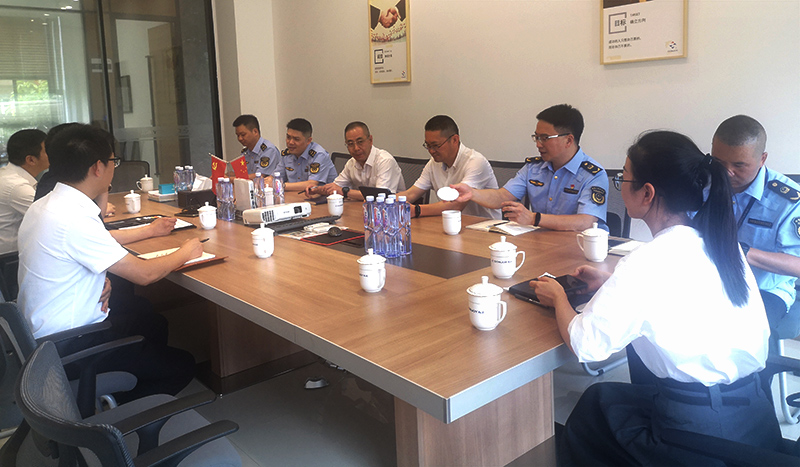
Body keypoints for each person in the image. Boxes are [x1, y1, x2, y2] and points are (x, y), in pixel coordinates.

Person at [530, 131, 780, 464]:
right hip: (756, 419)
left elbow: (586, 344)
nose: (620, 185)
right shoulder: (722, 245)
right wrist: (612, 283)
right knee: (602, 399)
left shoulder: (647, 260)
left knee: (593, 415)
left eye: (623, 178)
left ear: (647, 193)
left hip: (701, 432)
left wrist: (559, 295)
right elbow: (687, 295)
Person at [18, 124, 199, 402]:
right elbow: (144, 275)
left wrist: (97, 280)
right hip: (70, 343)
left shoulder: (47, 205)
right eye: (114, 160)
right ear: (98, 167)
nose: (115, 166)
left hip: (44, 335)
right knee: (183, 366)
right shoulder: (73, 218)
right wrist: (187, 251)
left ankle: (119, 382)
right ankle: (109, 413)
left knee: (152, 322)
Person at [711, 115, 800, 343]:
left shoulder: (789, 202)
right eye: (719, 162)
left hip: (764, 290)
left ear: (762, 159)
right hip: (710, 280)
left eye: (739, 165)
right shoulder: (705, 184)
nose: (727, 172)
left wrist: (743, 252)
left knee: (736, 339)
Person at [452, 104, 608, 231]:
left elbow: (586, 221)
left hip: (581, 247)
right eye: (537, 137)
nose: (538, 144)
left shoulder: (593, 175)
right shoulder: (533, 168)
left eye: (545, 138)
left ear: (568, 140)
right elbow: (502, 196)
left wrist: (534, 218)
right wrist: (472, 193)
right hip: (541, 242)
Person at [397, 115, 499, 219]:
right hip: (451, 223)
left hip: (484, 226)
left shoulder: (476, 162)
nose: (431, 151)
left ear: (455, 140)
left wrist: (416, 210)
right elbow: (411, 194)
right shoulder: (433, 163)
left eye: (436, 145)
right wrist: (389, 203)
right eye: (428, 145)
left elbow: (456, 205)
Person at [306, 121, 405, 200]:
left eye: (360, 142)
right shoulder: (351, 163)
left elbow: (380, 197)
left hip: (394, 212)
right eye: (350, 144)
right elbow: (336, 187)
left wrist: (345, 192)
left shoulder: (385, 161)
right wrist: (316, 189)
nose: (356, 148)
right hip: (362, 208)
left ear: (370, 140)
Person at [0, 129, 48, 254]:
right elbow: (53, 218)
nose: (52, 154)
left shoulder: (8, 174)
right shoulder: (16, 186)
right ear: (31, 160)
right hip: (9, 259)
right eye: (47, 150)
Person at [271, 118, 336, 192]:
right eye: (288, 137)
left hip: (323, 196)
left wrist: (282, 185)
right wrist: (269, 180)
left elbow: (311, 184)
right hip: (297, 195)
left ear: (308, 141)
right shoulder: (287, 154)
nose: (290, 142)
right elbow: (275, 177)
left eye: (296, 139)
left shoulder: (319, 155)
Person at [233, 114, 281, 178]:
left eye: (243, 135)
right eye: (238, 135)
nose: (240, 138)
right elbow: (238, 173)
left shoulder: (269, 150)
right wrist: (225, 176)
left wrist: (231, 179)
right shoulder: (245, 152)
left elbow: (259, 176)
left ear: (255, 132)